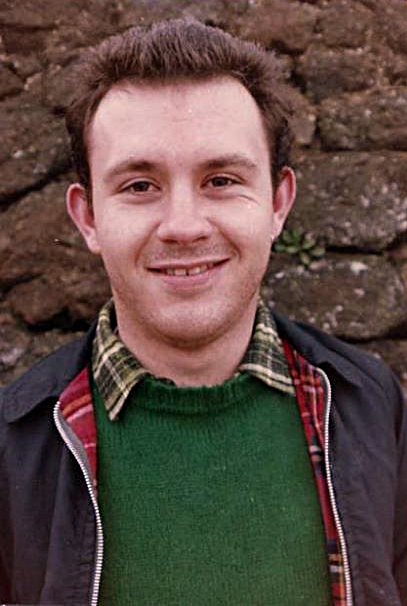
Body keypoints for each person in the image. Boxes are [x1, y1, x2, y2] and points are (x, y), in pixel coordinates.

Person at [1, 18, 406, 606]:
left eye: (221, 179)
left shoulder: (371, 408)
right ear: (87, 217)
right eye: (140, 185)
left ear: (277, 203)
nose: (184, 226)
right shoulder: (15, 447)